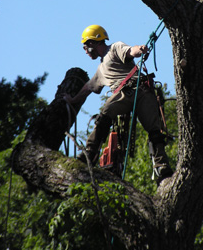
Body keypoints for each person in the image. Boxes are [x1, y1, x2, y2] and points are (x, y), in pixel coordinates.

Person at [64, 24, 173, 182]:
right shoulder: (100, 70)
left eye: (85, 47)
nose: (85, 51)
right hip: (122, 96)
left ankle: (161, 166)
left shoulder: (114, 48)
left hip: (140, 90)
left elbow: (130, 51)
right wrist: (72, 100)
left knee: (154, 130)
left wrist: (139, 50)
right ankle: (90, 153)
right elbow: (87, 88)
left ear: (93, 42)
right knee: (104, 116)